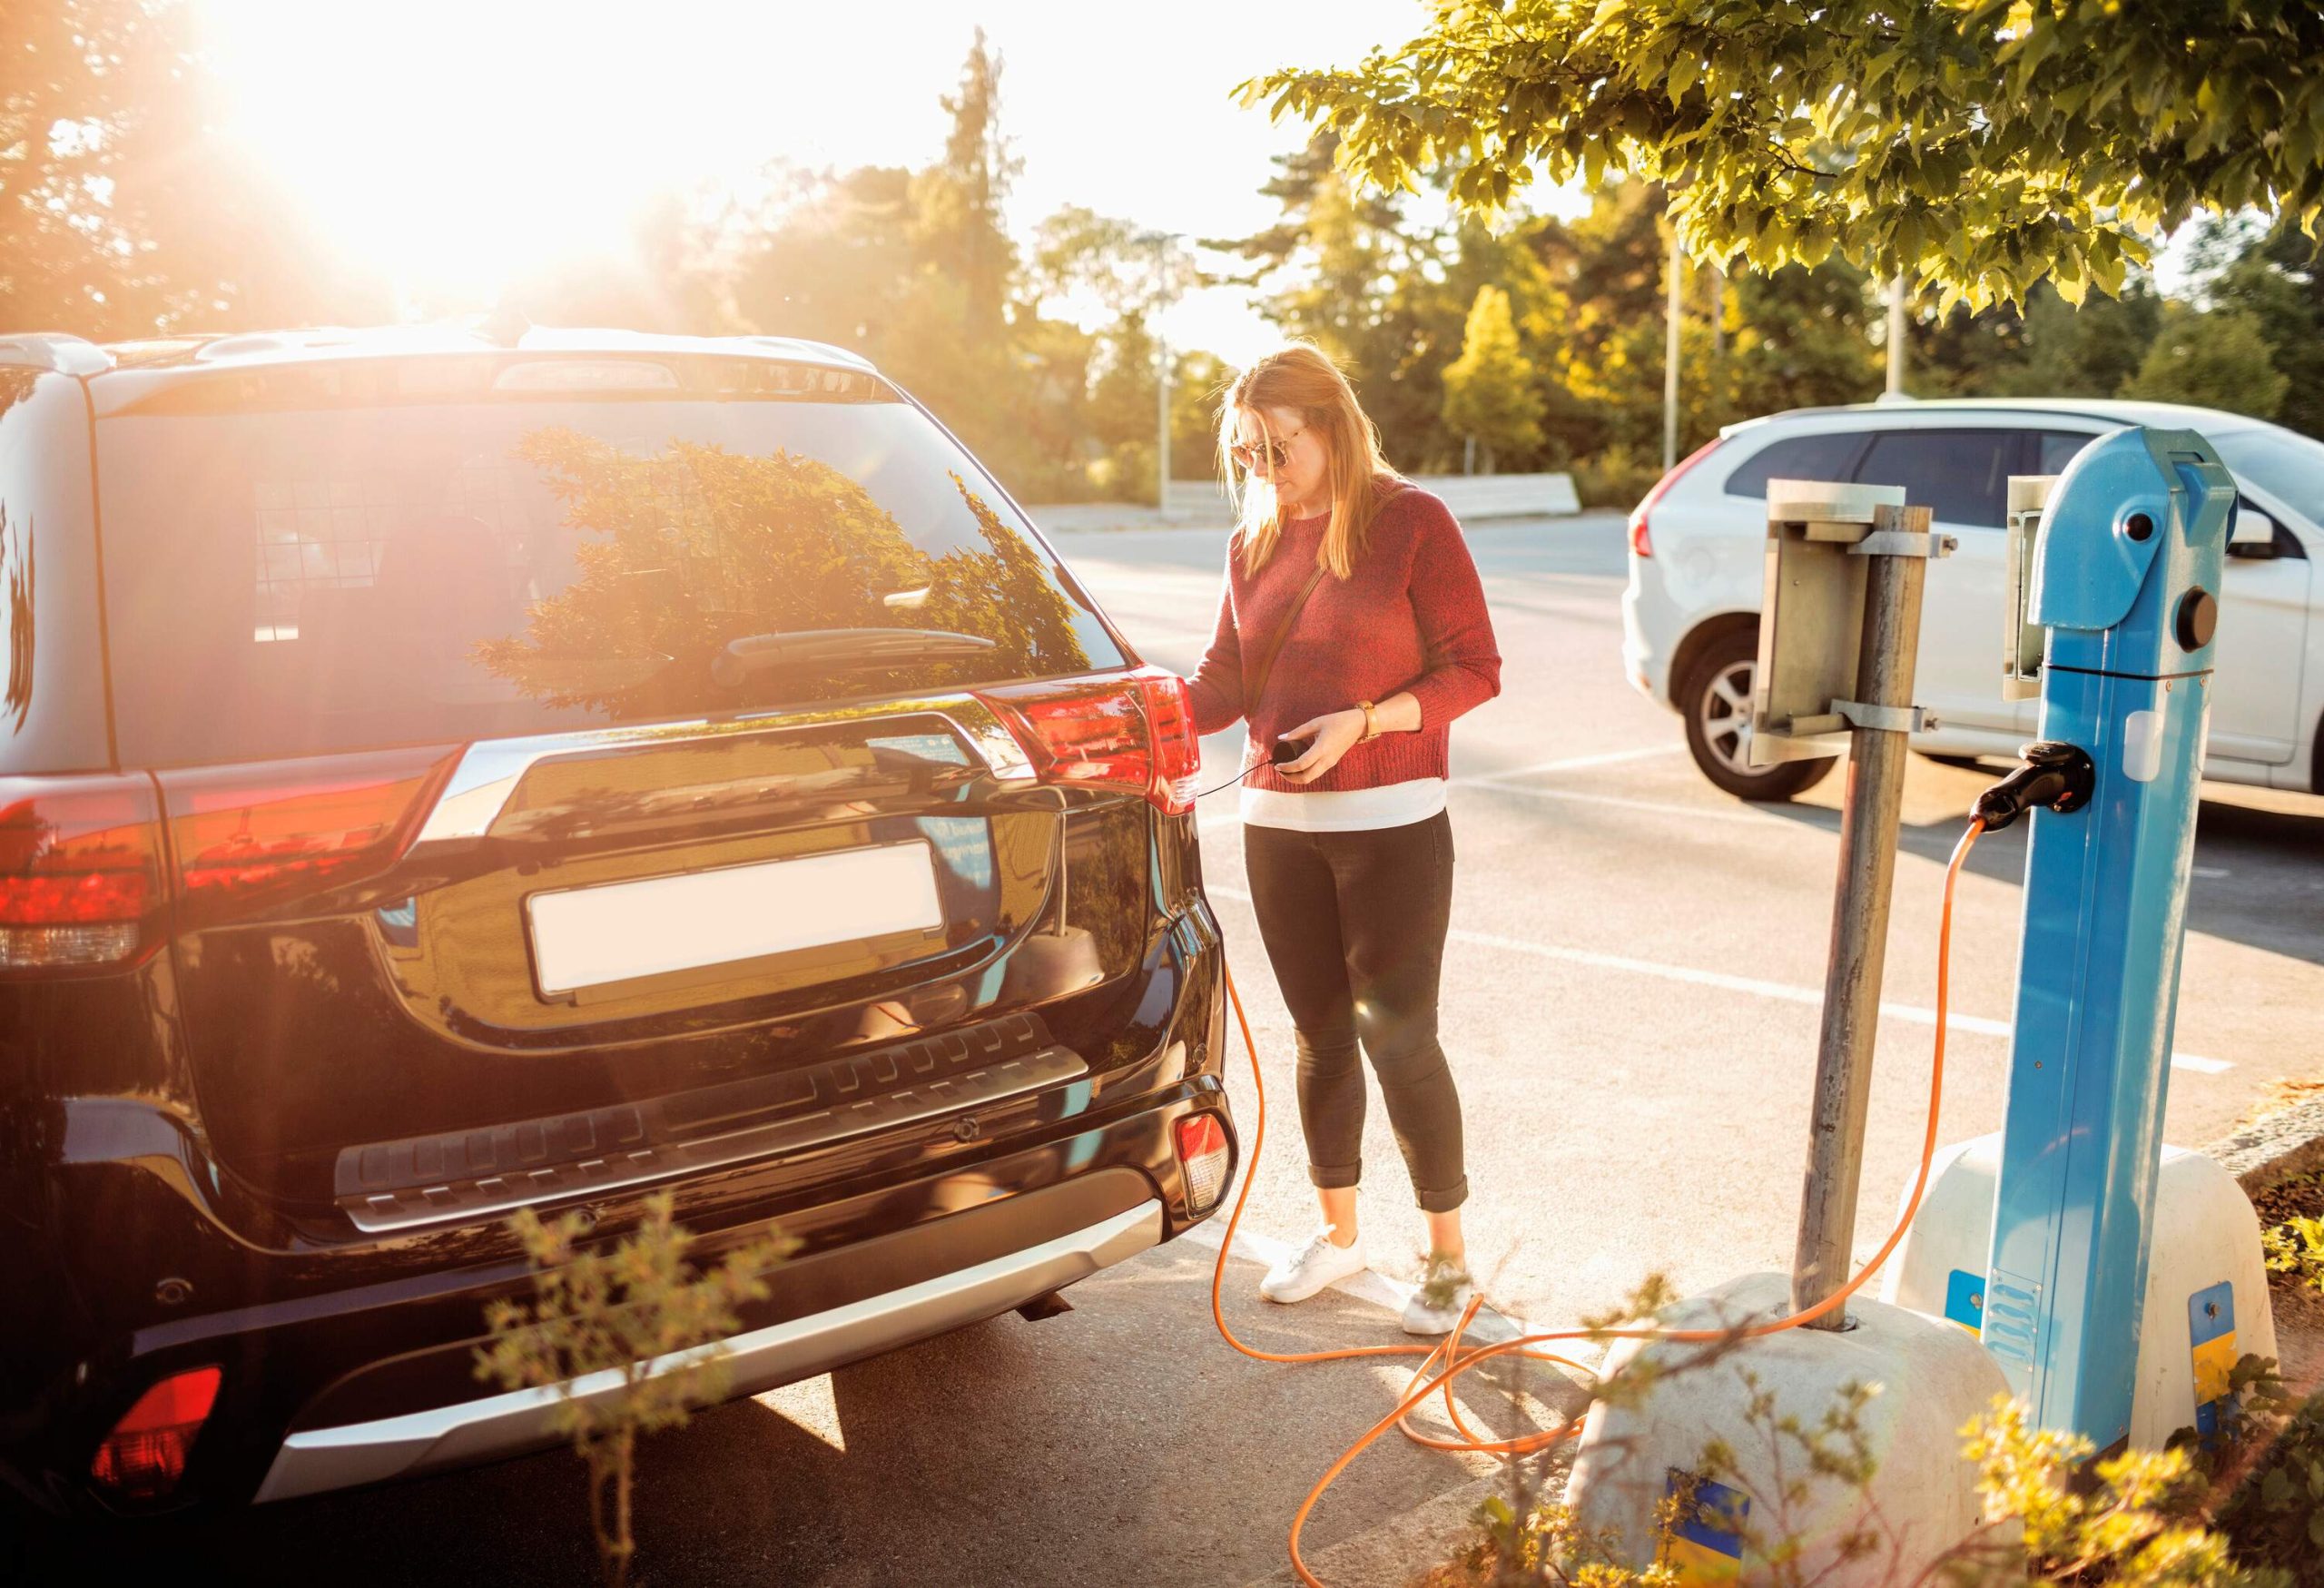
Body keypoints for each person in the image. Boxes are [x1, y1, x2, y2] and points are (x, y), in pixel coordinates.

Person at [1183, 341, 1502, 1336]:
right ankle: (1340, 1233)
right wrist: (1138, 714)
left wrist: (1363, 722)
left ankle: (1447, 1264)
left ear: (1332, 428)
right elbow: (1222, 683)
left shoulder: (1412, 523)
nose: (1264, 471)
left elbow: (1475, 670)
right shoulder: (1252, 543)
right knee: (1319, 1037)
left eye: (1279, 449)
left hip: (1392, 824)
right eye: (1248, 454)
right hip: (1275, 827)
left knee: (1399, 1039)